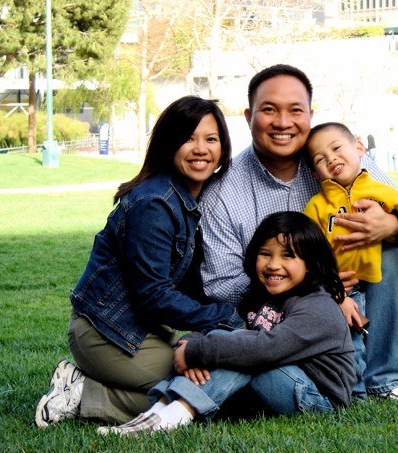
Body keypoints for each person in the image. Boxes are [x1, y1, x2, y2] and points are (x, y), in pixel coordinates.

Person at [199, 64, 398, 402]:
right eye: (269, 110)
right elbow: (222, 286)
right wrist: (316, 293)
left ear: (310, 114)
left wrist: (392, 226)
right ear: (249, 115)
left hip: (357, 292)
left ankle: (386, 380)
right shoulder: (223, 193)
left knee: (390, 249)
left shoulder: (340, 158)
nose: (283, 122)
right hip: (280, 319)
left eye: (295, 110)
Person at [35, 96, 244, 427]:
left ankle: (81, 384)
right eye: (188, 138)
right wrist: (225, 316)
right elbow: (155, 296)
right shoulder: (154, 204)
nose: (200, 148)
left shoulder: (184, 199)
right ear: (167, 145)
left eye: (210, 139)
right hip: (106, 333)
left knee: (212, 382)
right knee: (205, 394)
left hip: (141, 330)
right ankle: (83, 393)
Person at [96, 211, 356, 435]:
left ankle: (171, 417)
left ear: (311, 265)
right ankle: (158, 412)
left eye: (288, 256)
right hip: (276, 383)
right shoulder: (263, 296)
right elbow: (233, 332)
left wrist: (199, 352)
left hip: (317, 399)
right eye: (265, 254)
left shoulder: (317, 307)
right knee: (239, 347)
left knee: (246, 353)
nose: (273, 265)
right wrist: (193, 343)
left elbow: (265, 349)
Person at [303, 121, 398, 322]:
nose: (331, 158)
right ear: (315, 175)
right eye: (320, 159)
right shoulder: (316, 206)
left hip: (380, 287)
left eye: (336, 148)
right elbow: (309, 254)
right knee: (351, 350)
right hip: (340, 291)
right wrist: (333, 289)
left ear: (359, 148)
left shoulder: (385, 193)